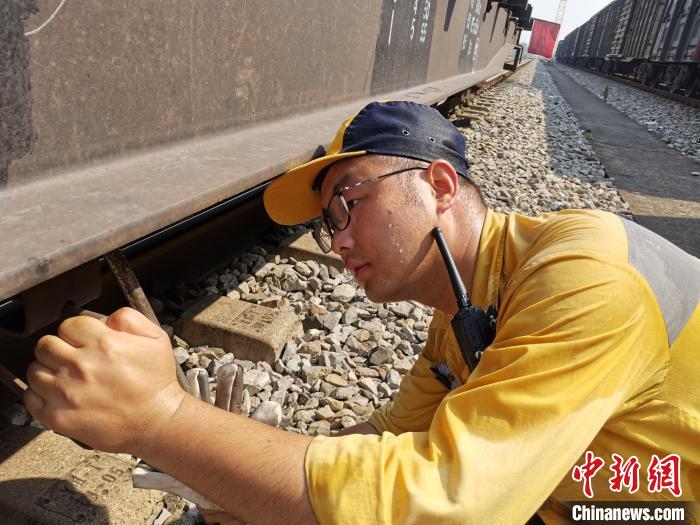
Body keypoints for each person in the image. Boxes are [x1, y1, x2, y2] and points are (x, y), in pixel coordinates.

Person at [25, 101, 699, 524]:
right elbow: (381, 438)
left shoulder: (585, 275)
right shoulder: (461, 309)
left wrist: (165, 418)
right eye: (327, 224)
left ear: (438, 184)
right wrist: (239, 460)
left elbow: (450, 503)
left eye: (350, 200)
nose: (339, 238)